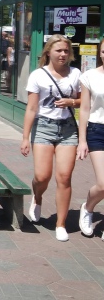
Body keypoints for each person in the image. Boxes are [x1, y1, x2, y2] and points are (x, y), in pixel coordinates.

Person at [21, 34, 81, 242]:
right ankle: (37, 197)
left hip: (68, 129)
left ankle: (61, 224)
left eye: (66, 51)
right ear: (48, 53)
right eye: (59, 50)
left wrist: (72, 102)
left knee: (64, 177)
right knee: (42, 176)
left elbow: (84, 100)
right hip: (43, 126)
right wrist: (25, 137)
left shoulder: (76, 74)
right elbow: (31, 108)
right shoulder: (37, 75)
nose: (63, 54)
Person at [76, 38, 104, 238]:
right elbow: (84, 109)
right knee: (103, 184)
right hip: (97, 130)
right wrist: (82, 140)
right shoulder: (89, 76)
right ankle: (88, 207)